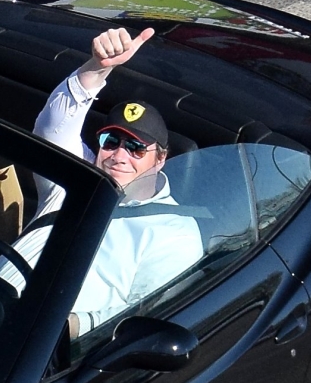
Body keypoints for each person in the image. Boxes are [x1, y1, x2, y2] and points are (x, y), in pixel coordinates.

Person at [14, 26, 205, 335]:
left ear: (161, 158)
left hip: (47, 346)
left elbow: (145, 310)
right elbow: (52, 128)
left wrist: (72, 328)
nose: (119, 154)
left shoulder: (175, 233)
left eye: (135, 148)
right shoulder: (75, 179)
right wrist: (97, 68)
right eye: (111, 141)